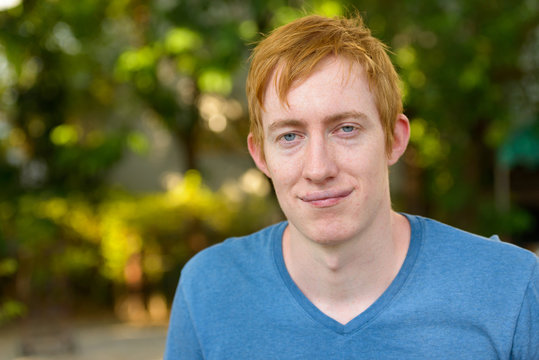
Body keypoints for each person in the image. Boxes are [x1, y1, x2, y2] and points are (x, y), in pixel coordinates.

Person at [164, 14, 539, 359]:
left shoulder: (510, 288)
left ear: (394, 140)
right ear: (260, 155)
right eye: (290, 136)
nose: (318, 168)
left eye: (346, 129)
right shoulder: (209, 290)